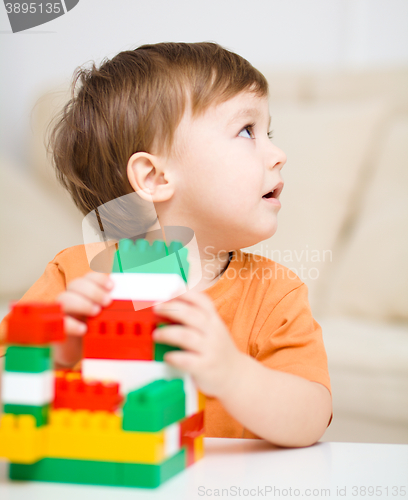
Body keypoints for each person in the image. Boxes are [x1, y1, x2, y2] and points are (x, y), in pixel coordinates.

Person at [0, 42, 332, 447]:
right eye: (247, 130)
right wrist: (54, 357)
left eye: (269, 132)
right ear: (154, 178)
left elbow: (311, 419)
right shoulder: (73, 278)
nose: (278, 154)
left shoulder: (274, 294)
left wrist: (234, 375)